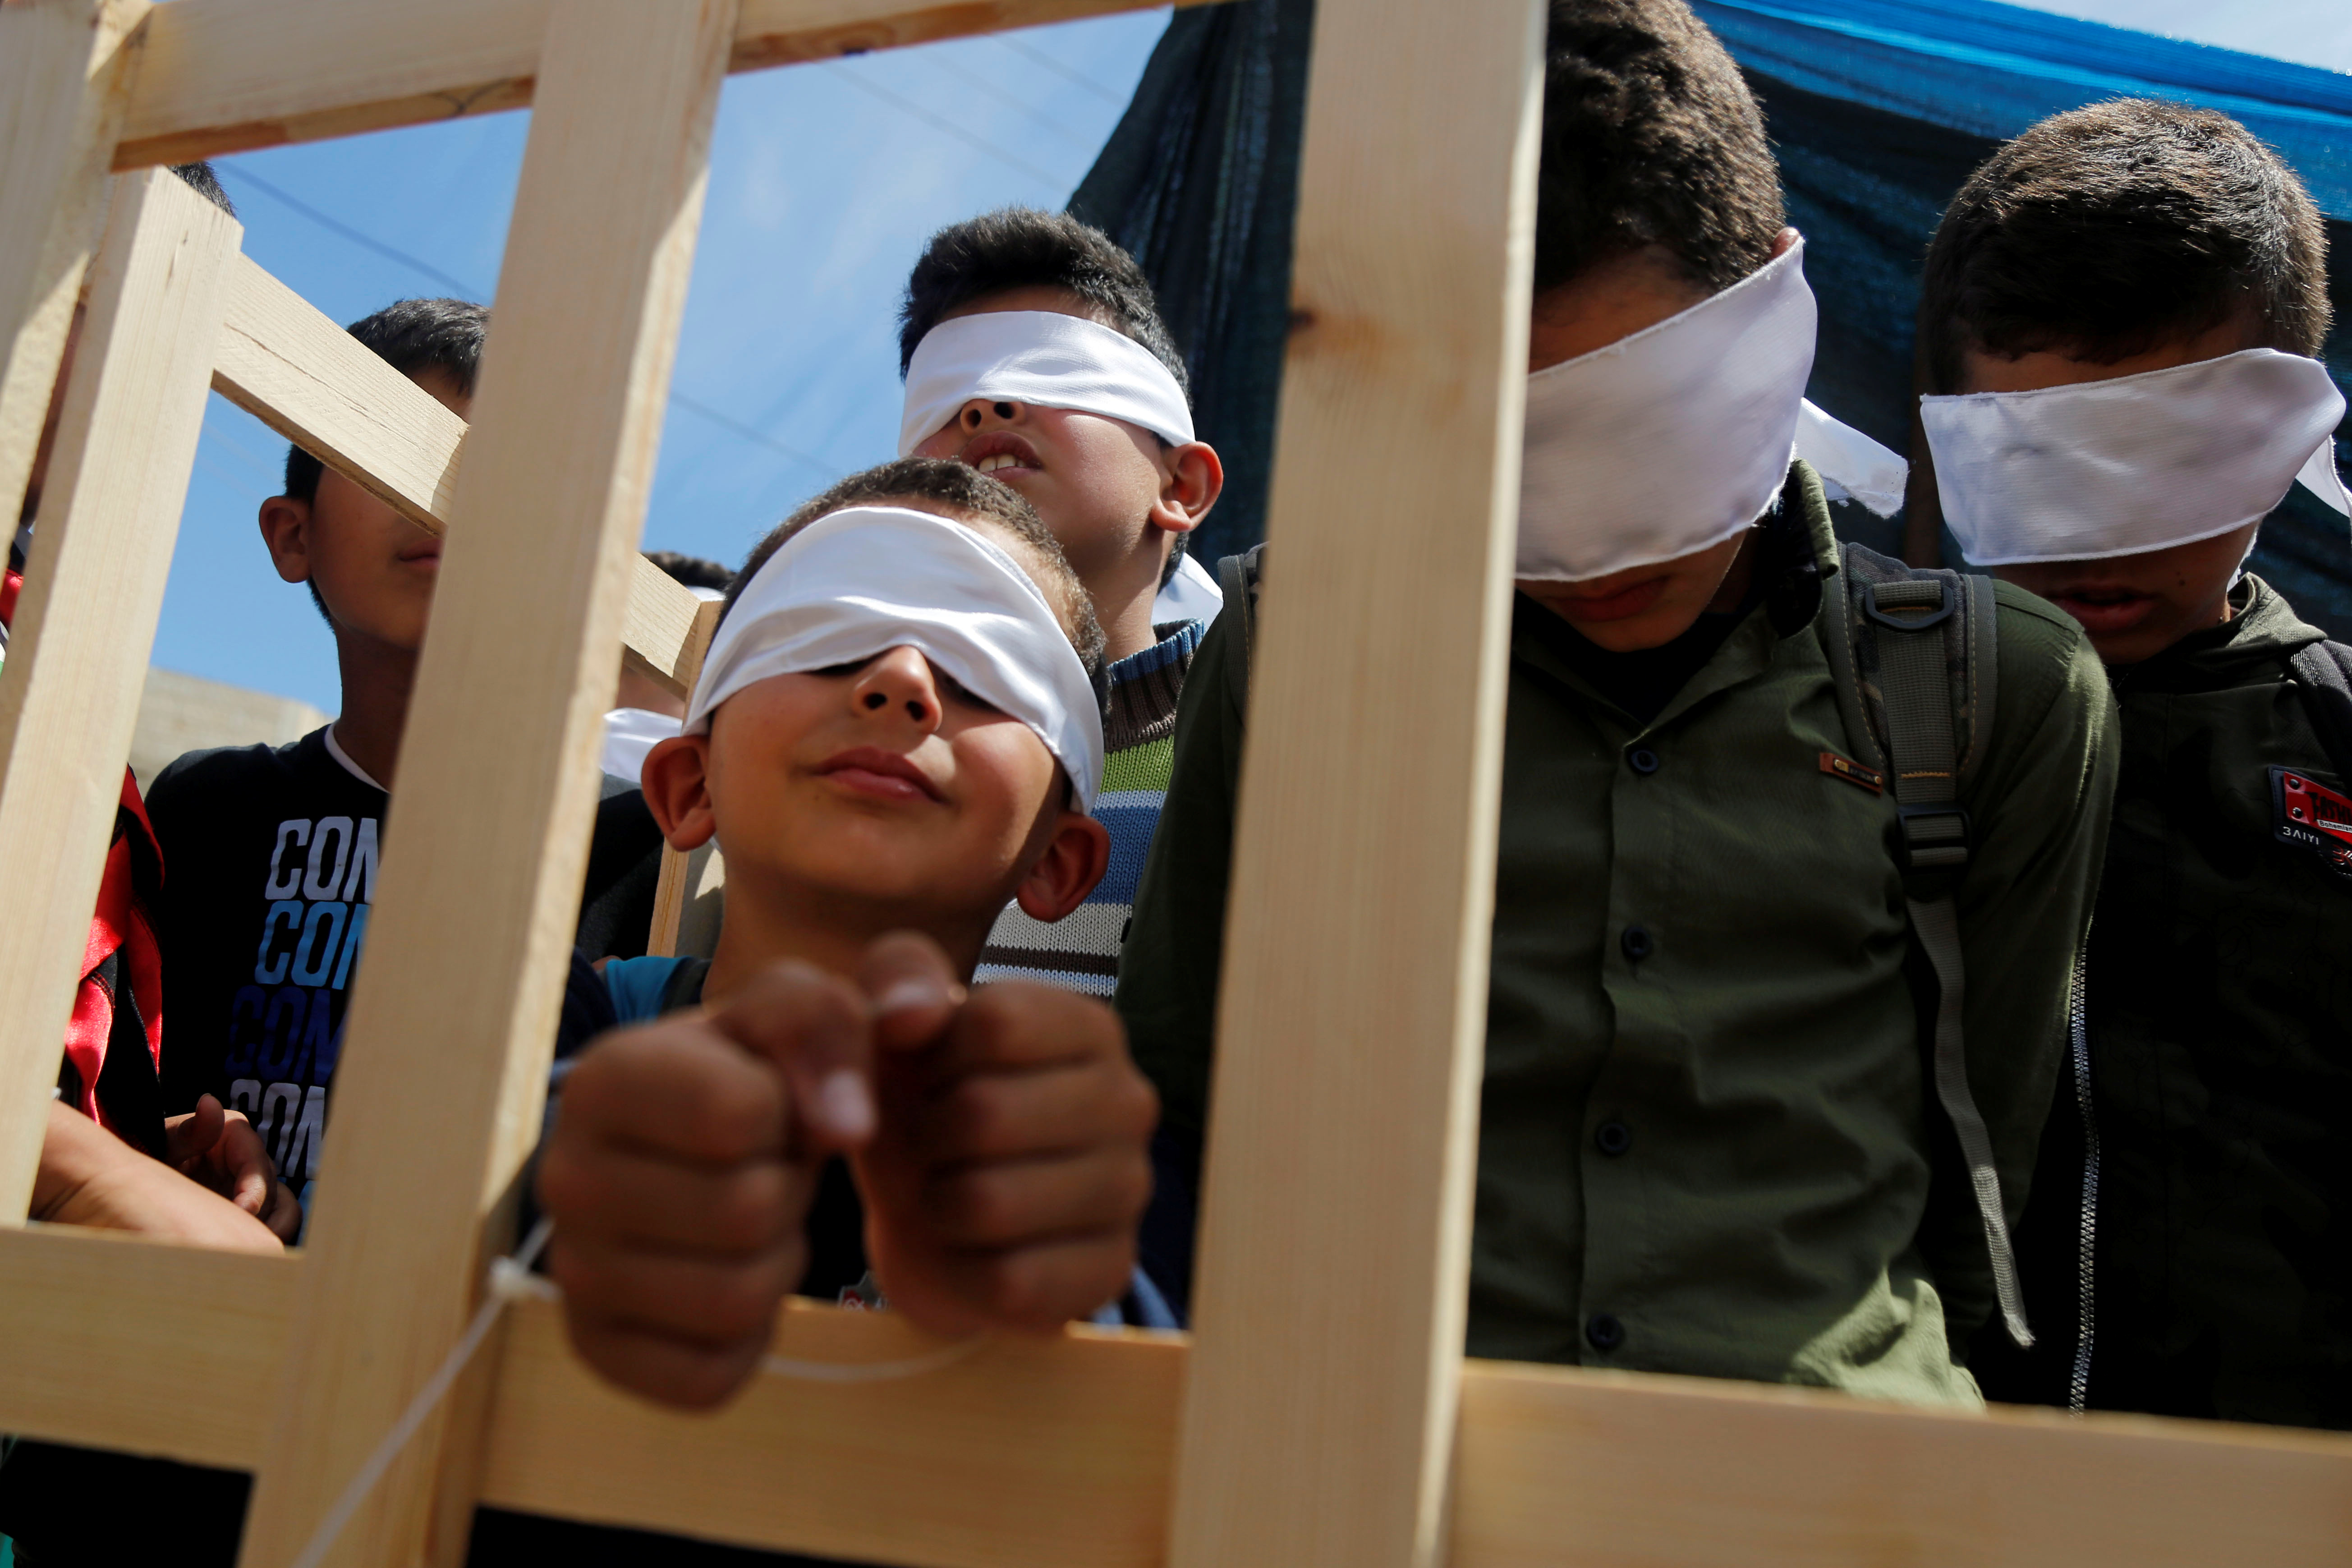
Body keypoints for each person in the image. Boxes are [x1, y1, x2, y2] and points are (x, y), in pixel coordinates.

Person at [1116, 0, 2118, 1400]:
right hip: (1364, 1473)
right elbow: (1187, 1084)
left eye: (1652, 433)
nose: (1605, 546)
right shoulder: (1306, 639)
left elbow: (1989, 1164)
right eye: (1509, 454)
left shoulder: (1997, 687)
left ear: (1778, 305)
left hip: (1841, 1499)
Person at [473, 460, 1157, 1562]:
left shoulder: (1095, 1151)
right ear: (687, 787)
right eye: (827, 641)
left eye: (984, 669)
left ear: (1061, 859)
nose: (896, 682)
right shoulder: (532, 1035)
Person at [1913, 100, 2352, 1430]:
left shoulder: (2334, 736)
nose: (2099, 541)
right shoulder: (1855, 721)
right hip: (1919, 1492)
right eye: (2041, 459)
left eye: (2165, 455)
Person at [897, 209, 1224, 995]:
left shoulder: (1258, 741)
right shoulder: (869, 742)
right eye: (948, 395)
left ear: (1181, 486)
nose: (982, 408)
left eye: (1048, 369)